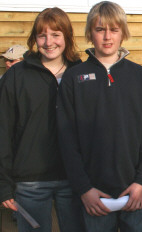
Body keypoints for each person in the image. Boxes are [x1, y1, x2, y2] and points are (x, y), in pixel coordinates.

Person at [57, 1, 142, 231]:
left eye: (114, 29)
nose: (107, 36)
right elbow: (66, 138)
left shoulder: (140, 76)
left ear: (123, 33)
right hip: (94, 195)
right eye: (100, 29)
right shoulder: (74, 78)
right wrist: (84, 189)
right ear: (90, 34)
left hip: (135, 192)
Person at [0, 7, 83, 232]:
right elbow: (3, 131)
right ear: (34, 38)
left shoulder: (81, 74)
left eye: (56, 35)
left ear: (67, 36)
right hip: (30, 180)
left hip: (75, 178)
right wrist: (4, 184)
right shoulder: (16, 76)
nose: (49, 42)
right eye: (42, 35)